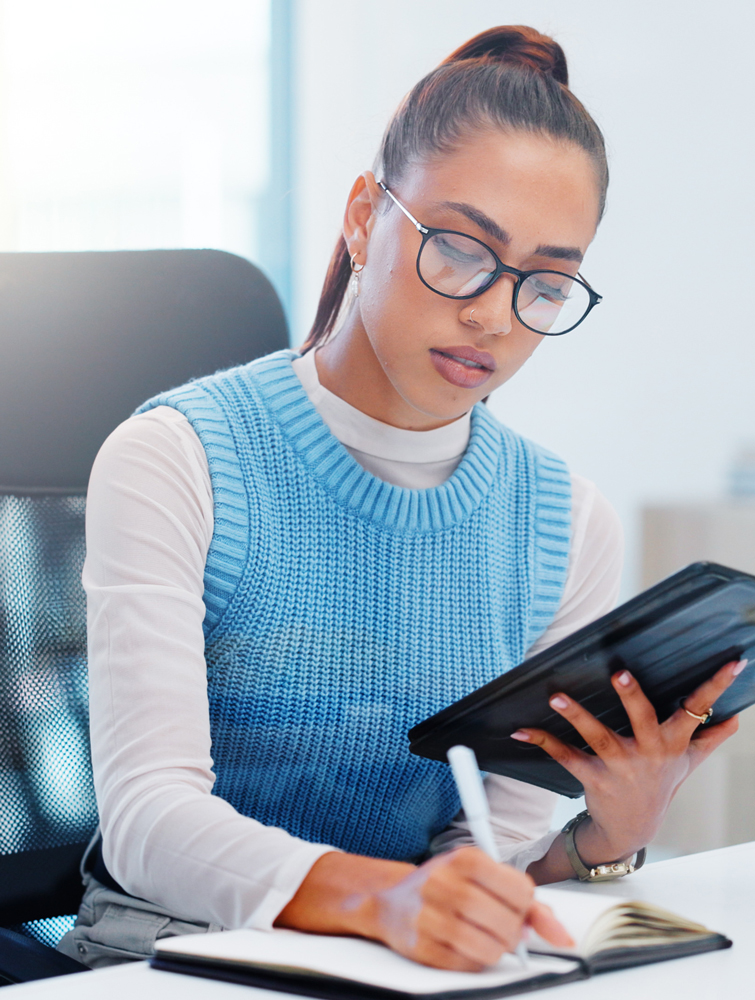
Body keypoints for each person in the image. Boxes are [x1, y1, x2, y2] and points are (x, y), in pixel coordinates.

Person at [59, 24, 743, 974]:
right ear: (362, 216)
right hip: (172, 954)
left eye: (546, 282)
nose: (493, 315)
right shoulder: (176, 457)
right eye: (461, 248)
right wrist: (388, 897)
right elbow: (150, 821)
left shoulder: (563, 519)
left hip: (403, 965)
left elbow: (486, 846)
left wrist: (599, 836)